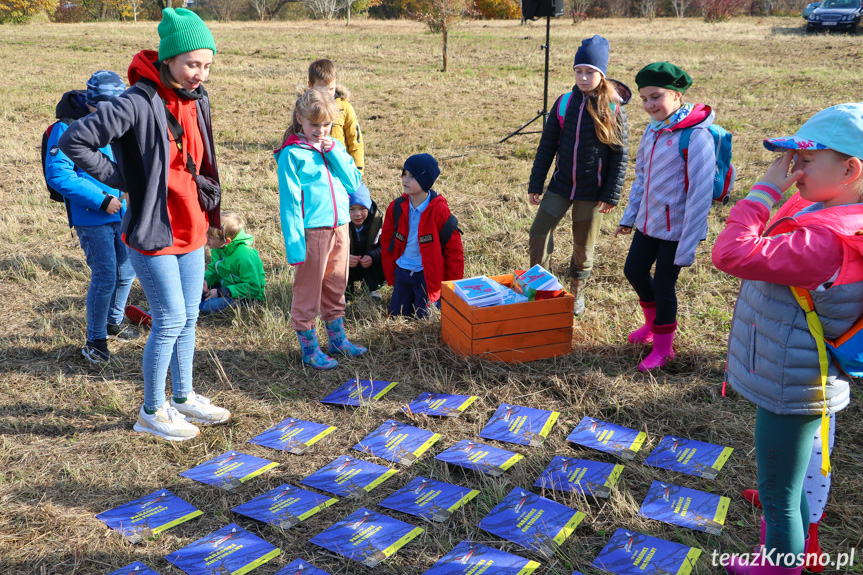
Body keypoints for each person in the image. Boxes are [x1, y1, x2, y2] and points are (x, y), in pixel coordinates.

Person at [59, 8, 231, 441]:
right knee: (170, 318)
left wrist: (210, 213)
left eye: (207, 65)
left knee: (189, 315)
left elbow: (201, 159)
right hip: (152, 228)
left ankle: (184, 396)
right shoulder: (136, 100)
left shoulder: (198, 98)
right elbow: (74, 140)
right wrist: (122, 178)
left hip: (191, 224)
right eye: (193, 63)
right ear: (169, 59)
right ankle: (151, 412)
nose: (200, 73)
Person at [713, 103, 863, 575]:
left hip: (791, 384)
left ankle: (779, 567)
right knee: (788, 485)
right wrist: (793, 180)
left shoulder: (828, 241)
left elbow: (731, 252)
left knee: (778, 497)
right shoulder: (837, 206)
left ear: (849, 169)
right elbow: (800, 208)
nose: (793, 173)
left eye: (806, 161)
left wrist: (762, 193)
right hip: (793, 369)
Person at [614, 62, 716, 372]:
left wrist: (688, 245)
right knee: (633, 270)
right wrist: (630, 216)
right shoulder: (653, 130)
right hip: (649, 222)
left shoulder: (696, 137)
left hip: (678, 230)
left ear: (676, 94)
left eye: (655, 96)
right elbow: (641, 177)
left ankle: (664, 349)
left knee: (663, 285)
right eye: (644, 99)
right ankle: (651, 326)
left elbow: (701, 194)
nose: (649, 105)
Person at [528, 35, 629, 316]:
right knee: (538, 232)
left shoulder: (613, 107)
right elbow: (547, 146)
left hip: (592, 192)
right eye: (578, 71)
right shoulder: (563, 103)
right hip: (560, 186)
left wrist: (611, 193)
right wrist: (536, 182)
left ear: (602, 73)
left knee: (583, 247)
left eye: (590, 72)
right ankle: (541, 287)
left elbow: (620, 155)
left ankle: (577, 292)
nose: (583, 78)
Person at [45, 70, 139, 365]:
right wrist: (102, 200)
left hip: (123, 211)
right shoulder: (66, 128)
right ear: (91, 102)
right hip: (91, 217)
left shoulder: (118, 120)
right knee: (105, 276)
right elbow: (59, 175)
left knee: (127, 272)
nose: (112, 114)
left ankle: (114, 320)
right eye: (106, 108)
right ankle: (95, 339)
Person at [275, 88, 366, 370]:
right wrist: (294, 243)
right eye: (315, 125)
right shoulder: (292, 155)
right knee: (308, 292)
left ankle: (338, 341)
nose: (321, 131)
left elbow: (354, 184)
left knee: (336, 286)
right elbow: (290, 203)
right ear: (300, 119)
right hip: (312, 234)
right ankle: (310, 350)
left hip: (341, 228)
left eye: (327, 125)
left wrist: (335, 154)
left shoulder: (335, 148)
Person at [381, 153, 464, 318]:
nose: (405, 179)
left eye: (412, 176)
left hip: (427, 276)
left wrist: (451, 286)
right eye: (404, 173)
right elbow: (386, 242)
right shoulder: (396, 207)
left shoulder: (439, 211)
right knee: (397, 316)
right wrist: (391, 272)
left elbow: (454, 251)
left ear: (425, 181)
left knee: (425, 318)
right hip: (403, 270)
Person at [200, 211, 266, 315]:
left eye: (211, 238)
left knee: (207, 306)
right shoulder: (217, 248)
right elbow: (214, 270)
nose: (206, 240)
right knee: (194, 291)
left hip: (245, 295)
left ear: (227, 241)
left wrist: (220, 292)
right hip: (226, 285)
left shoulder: (245, 256)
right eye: (206, 235)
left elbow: (253, 288)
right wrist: (206, 280)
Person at [308, 58, 364, 173]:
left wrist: (358, 169)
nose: (327, 94)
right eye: (321, 89)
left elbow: (355, 140)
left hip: (341, 166)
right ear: (310, 85)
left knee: (361, 192)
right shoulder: (305, 109)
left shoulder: (345, 107)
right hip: (316, 168)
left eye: (331, 89)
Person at [346, 183, 385, 302]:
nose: (357, 214)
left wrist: (373, 256)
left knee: (387, 258)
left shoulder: (377, 221)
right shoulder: (338, 223)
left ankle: (370, 287)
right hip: (346, 266)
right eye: (351, 209)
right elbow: (330, 248)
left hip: (369, 265)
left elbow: (385, 246)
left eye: (363, 209)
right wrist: (345, 258)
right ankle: (345, 290)